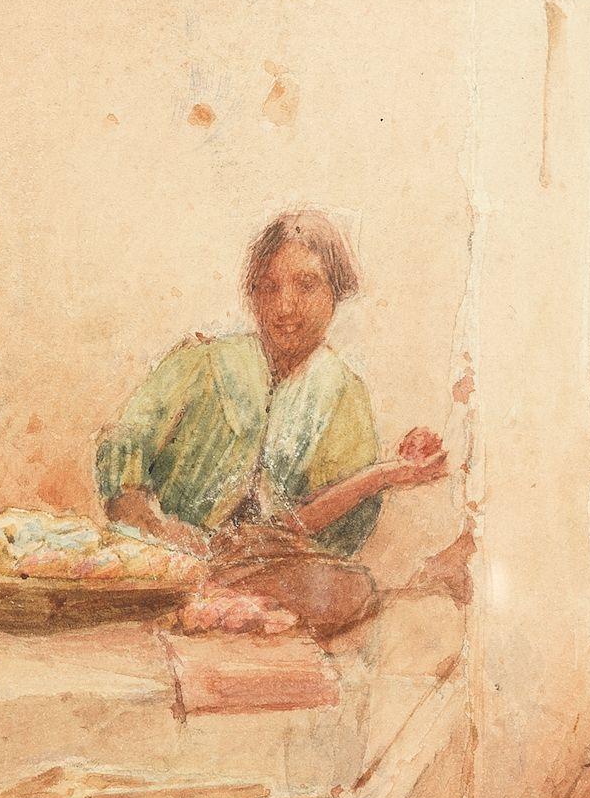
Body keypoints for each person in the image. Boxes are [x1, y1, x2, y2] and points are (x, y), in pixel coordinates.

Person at [96, 208, 447, 643]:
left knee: (353, 590)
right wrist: (159, 532)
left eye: (306, 286)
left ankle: (222, 603)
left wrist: (384, 474)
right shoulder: (200, 362)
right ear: (252, 294)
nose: (285, 307)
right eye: (269, 287)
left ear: (336, 293)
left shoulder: (341, 393)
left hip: (266, 572)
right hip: (164, 561)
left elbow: (299, 530)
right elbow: (124, 451)